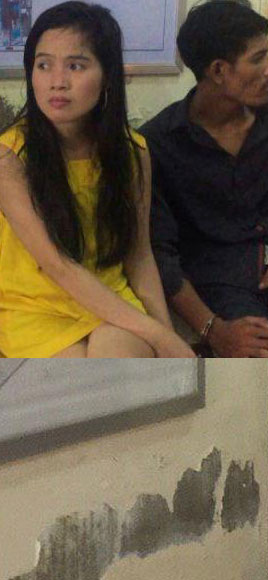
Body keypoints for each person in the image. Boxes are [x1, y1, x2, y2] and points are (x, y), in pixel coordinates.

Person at [0, 1, 194, 358]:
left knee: (120, 358)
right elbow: (57, 265)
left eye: (75, 65)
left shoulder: (132, 151)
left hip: (112, 302)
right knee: (85, 382)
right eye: (44, 65)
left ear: (107, 76)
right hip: (34, 310)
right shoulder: (9, 156)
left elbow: (139, 255)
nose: (57, 82)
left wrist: (165, 334)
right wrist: (161, 337)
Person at [142, 0, 268, 358]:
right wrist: (212, 328)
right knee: (267, 359)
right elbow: (159, 253)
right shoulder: (158, 142)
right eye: (258, 59)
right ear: (218, 70)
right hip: (217, 285)